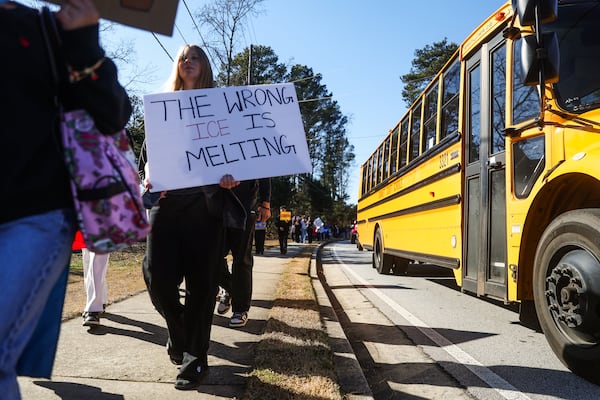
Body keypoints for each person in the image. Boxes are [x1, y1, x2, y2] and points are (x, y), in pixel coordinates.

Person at [0, 1, 132, 399]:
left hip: (31, 216)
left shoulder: (42, 28)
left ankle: (97, 305)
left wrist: (84, 42)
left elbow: (113, 114)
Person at [141, 44, 244, 391]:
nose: (188, 62)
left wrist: (232, 175)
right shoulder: (161, 104)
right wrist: (148, 177)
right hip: (166, 204)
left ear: (205, 66)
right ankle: (180, 330)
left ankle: (194, 361)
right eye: (183, 57)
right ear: (177, 65)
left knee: (202, 286)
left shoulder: (219, 107)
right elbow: (151, 154)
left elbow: (232, 154)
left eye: (195, 57)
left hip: (204, 207)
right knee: (156, 276)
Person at [217, 178, 270, 328]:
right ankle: (231, 289)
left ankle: (240, 309)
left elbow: (264, 166)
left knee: (241, 258)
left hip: (245, 204)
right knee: (212, 257)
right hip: (216, 203)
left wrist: (265, 202)